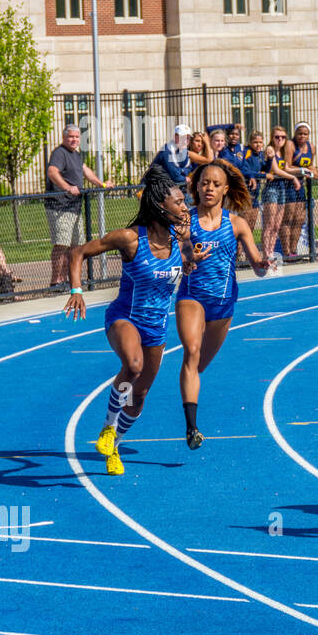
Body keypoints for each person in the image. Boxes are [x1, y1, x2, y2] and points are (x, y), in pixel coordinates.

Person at [64, 166, 194, 477]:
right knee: (133, 365)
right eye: (179, 203)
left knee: (139, 398)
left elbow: (187, 261)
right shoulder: (131, 238)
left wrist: (190, 263)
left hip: (156, 327)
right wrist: (77, 290)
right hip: (125, 317)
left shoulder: (182, 237)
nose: (185, 207)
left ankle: (116, 445)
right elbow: (79, 252)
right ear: (160, 206)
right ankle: (108, 427)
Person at [176, 159, 273, 448]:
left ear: (225, 189)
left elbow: (257, 265)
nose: (209, 188)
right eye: (204, 182)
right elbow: (177, 257)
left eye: (216, 184)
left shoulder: (237, 223)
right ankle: (192, 428)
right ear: (196, 186)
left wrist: (264, 264)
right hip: (192, 297)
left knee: (201, 364)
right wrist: (187, 260)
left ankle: (192, 392)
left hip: (223, 303)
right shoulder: (185, 222)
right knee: (191, 353)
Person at [46, 124, 113, 290]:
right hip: (60, 207)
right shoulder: (59, 153)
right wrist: (67, 187)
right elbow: (52, 172)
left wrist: (102, 184)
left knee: (77, 245)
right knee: (62, 244)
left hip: (74, 207)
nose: (74, 139)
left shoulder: (75, 155)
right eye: (71, 137)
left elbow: (86, 171)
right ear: (64, 137)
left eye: (76, 137)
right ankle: (56, 282)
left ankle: (72, 280)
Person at [260, 126, 303, 258]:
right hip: (271, 189)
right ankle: (266, 254)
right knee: (269, 224)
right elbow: (276, 170)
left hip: (282, 188)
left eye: (283, 137)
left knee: (277, 225)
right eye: (277, 137)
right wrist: (293, 178)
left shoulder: (283, 152)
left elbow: (286, 168)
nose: (280, 139)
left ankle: (271, 252)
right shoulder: (270, 150)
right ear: (272, 138)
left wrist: (303, 170)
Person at [282, 123, 318, 257]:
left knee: (299, 219)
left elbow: (310, 165)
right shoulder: (290, 145)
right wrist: (303, 171)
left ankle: (293, 251)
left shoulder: (311, 147)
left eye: (305, 134)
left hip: (301, 186)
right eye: (300, 133)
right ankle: (286, 252)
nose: (302, 136)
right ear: (295, 133)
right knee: (288, 219)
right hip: (288, 184)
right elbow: (287, 165)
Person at [235, 130, 268, 233]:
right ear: (250, 143)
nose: (258, 145)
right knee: (243, 224)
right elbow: (245, 170)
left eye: (260, 142)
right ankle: (238, 249)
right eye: (255, 142)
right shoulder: (246, 152)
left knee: (251, 225)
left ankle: (245, 248)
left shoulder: (261, 155)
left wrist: (270, 159)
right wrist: (262, 175)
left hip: (255, 192)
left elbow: (266, 169)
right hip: (246, 192)